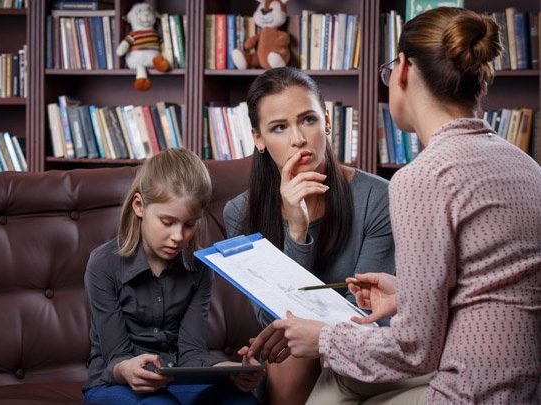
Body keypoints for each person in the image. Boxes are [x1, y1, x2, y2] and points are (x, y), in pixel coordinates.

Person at [248, 7, 541, 404]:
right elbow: (493, 288)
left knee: (337, 378)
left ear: (402, 70)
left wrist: (325, 338)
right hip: (523, 386)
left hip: (467, 391)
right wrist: (406, 292)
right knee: (338, 384)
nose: (298, 138)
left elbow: (414, 350)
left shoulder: (421, 178)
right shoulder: (526, 165)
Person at [223, 66, 396, 404]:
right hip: (292, 355)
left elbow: (366, 316)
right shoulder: (239, 213)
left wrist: (314, 334)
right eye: (278, 128)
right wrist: (296, 231)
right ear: (258, 139)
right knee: (291, 348)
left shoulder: (378, 198)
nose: (298, 139)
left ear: (327, 120)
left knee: (296, 345)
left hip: (360, 348)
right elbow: (272, 317)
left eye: (308, 120)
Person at [82, 148, 264, 405]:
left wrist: (231, 370)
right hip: (114, 383)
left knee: (241, 401)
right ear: (139, 206)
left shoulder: (199, 268)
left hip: (176, 382)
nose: (179, 236)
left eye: (189, 224)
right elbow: (115, 359)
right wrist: (127, 368)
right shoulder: (103, 264)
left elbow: (192, 353)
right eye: (167, 222)